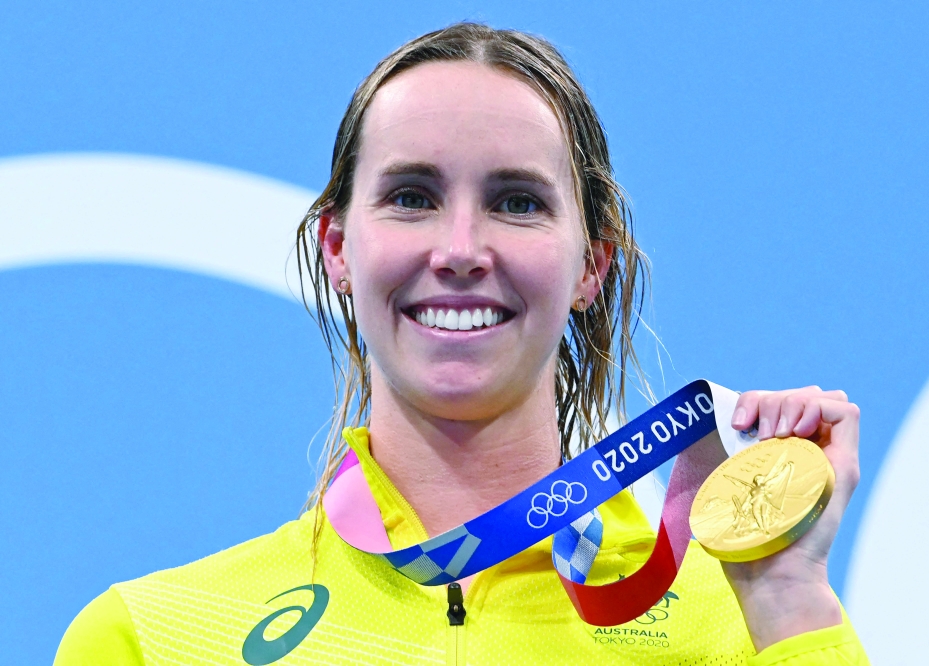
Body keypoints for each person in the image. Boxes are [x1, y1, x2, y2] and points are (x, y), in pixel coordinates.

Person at [55, 23, 868, 665]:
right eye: (412, 197)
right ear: (338, 248)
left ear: (592, 264)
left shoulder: (732, 626)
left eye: (517, 202)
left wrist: (786, 592)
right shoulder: (155, 640)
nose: (461, 247)